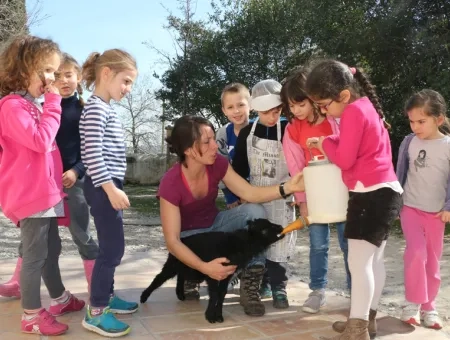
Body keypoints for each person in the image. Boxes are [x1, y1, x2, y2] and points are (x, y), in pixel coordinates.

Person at [158, 114, 305, 317]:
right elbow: (172, 241)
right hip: (191, 239)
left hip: (216, 225)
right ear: (189, 150)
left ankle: (250, 285)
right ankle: (192, 273)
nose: (215, 146)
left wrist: (288, 186)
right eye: (207, 142)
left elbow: (249, 193)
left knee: (255, 210)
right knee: (191, 252)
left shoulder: (217, 163)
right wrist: (204, 267)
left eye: (213, 139)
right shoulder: (171, 183)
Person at [305, 60, 403, 340]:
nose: (323, 111)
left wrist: (323, 142)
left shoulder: (352, 113)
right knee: (374, 263)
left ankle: (357, 328)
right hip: (388, 190)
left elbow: (345, 160)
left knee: (358, 265)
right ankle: (365, 320)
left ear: (344, 96)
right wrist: (332, 140)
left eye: (324, 105)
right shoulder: (367, 108)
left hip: (369, 195)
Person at [0, 35, 85, 336]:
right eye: (47, 70)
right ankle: (32, 315)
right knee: (35, 256)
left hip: (45, 194)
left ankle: (59, 299)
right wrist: (53, 103)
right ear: (23, 69)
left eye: (55, 71)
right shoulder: (12, 107)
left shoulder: (29, 105)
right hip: (31, 195)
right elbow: (40, 140)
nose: (52, 78)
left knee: (52, 247)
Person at [281, 66, 351, 314]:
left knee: (348, 244)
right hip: (316, 197)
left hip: (343, 192)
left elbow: (348, 155)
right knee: (318, 245)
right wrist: (302, 201)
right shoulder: (292, 131)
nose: (295, 111)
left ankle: (357, 293)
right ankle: (317, 291)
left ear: (313, 98)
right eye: (290, 106)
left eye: (299, 104)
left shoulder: (337, 121)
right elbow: (296, 168)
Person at [79, 49, 138, 337]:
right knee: (112, 250)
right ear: (106, 74)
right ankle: (97, 310)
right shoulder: (95, 108)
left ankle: (108, 295)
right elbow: (91, 155)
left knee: (112, 246)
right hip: (104, 185)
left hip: (109, 184)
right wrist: (110, 188)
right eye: (125, 81)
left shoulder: (105, 107)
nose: (128, 89)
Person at [232, 79, 297, 309]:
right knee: (258, 243)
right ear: (256, 109)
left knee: (280, 242)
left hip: (283, 198)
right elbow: (238, 169)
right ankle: (261, 283)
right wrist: (238, 196)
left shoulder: (288, 129)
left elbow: (298, 163)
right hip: (255, 197)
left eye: (277, 111)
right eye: (266, 112)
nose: (272, 117)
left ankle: (279, 287)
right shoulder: (247, 133)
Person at [396, 89, 450, 330]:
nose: (415, 126)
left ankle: (429, 306)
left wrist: (449, 206)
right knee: (416, 253)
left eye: (421, 121)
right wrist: (395, 201)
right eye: (411, 121)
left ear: (438, 119)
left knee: (433, 260)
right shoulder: (409, 142)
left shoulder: (448, 146)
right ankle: (412, 303)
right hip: (410, 207)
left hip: (436, 213)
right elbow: (399, 173)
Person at [216, 82, 251, 209]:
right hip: (234, 194)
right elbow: (220, 167)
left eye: (241, 105)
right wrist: (230, 196)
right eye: (230, 107)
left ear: (250, 105)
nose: (236, 111)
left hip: (259, 191)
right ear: (224, 111)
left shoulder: (260, 129)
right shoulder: (223, 134)